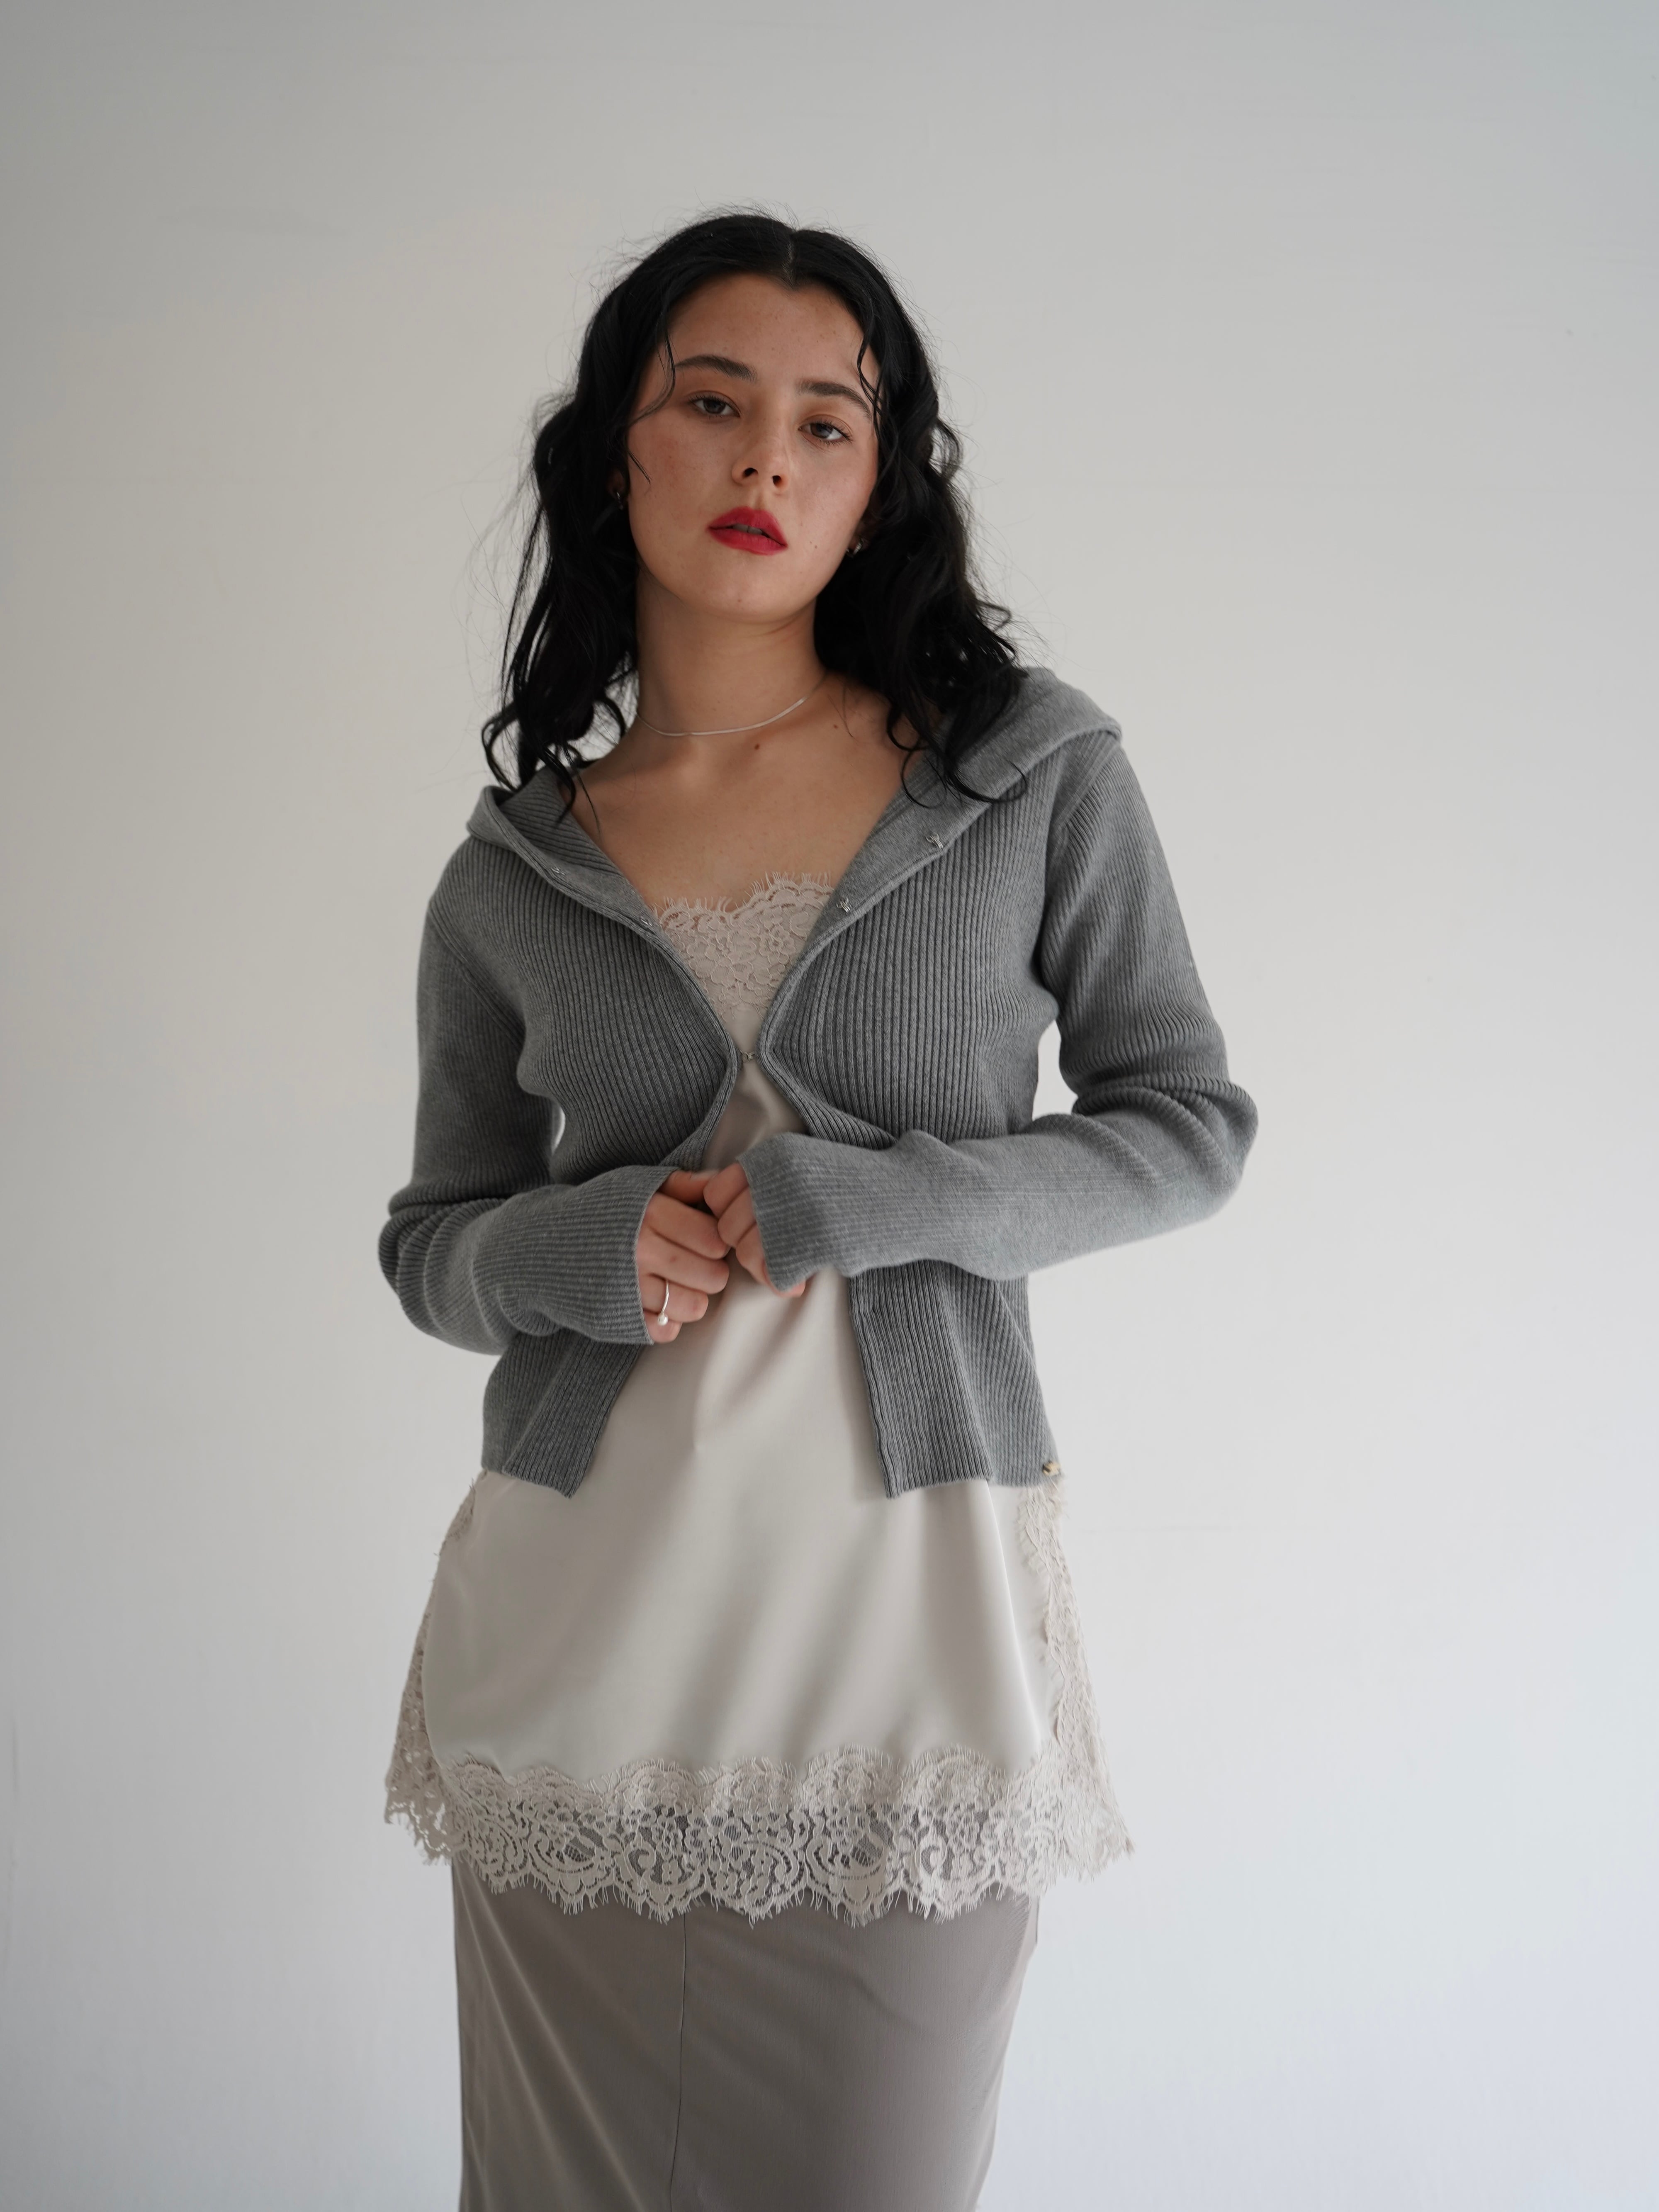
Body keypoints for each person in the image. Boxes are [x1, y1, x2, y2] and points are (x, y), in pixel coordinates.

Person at [379, 209, 1257, 2212]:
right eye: (712, 403)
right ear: (616, 446)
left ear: (877, 487)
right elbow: (433, 1238)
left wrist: (879, 1200)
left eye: (825, 424)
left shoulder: (1026, 777)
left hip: (902, 1659)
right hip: (580, 1663)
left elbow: (1187, 1124)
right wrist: (572, 1250)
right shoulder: (512, 874)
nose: (765, 458)